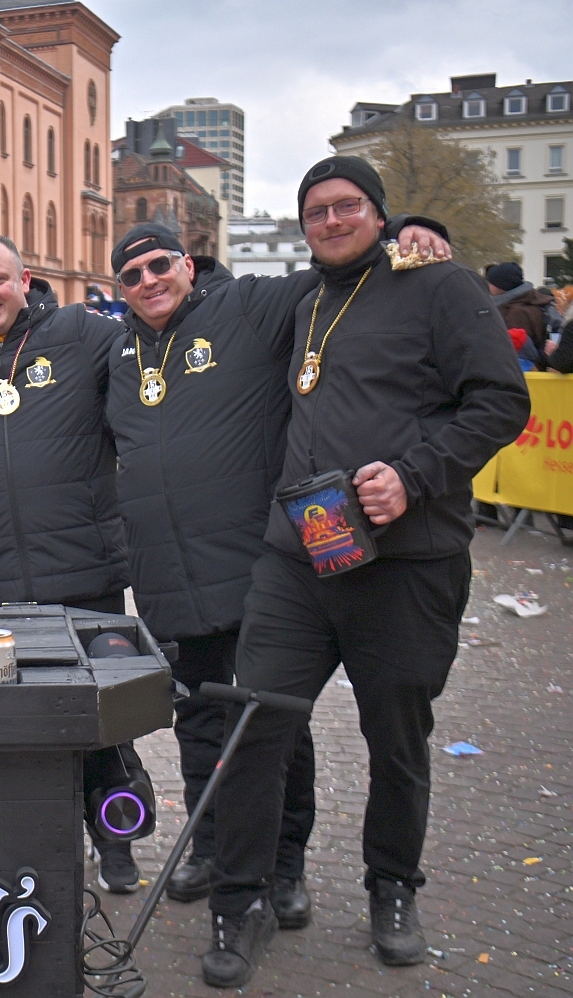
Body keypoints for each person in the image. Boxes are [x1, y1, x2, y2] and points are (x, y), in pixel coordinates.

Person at [200, 157, 530, 988]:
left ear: (381, 215)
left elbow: (502, 399)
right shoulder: (304, 300)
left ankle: (392, 887)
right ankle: (242, 899)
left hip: (406, 563)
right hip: (297, 560)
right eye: (315, 211)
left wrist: (415, 475)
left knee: (397, 739)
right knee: (256, 724)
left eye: (347, 206)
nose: (331, 221)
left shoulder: (439, 287)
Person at [102, 212, 450, 918]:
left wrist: (405, 232)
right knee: (198, 721)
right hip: (167, 574)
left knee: (272, 727)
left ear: (187, 265)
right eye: (132, 275)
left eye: (161, 264)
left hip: (257, 567)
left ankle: (285, 865)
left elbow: (338, 266)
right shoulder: (116, 350)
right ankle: (211, 847)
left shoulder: (247, 306)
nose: (149, 281)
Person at [0, 232, 148, 893]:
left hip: (83, 570)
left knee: (99, 715)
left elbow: (155, 339)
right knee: (16, 720)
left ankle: (114, 837)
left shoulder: (80, 333)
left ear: (25, 281)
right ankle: (34, 850)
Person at [487, 261, 556, 366]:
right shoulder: (531, 301)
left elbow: (512, 349)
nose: (487, 285)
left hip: (521, 370)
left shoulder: (517, 313)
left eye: (490, 282)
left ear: (501, 286)